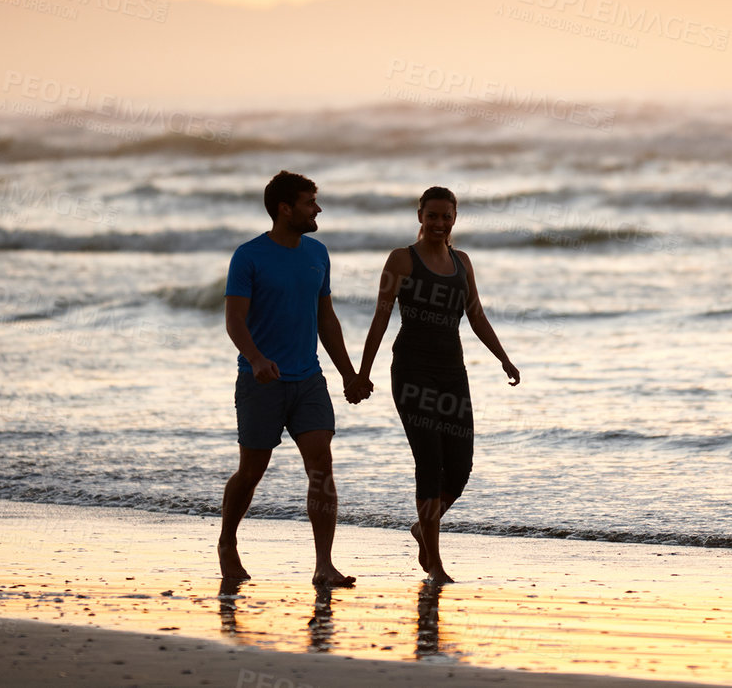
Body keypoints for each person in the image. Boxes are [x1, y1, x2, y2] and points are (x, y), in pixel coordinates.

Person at [357, 186, 519, 583]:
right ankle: (435, 559)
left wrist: (503, 357)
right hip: (412, 371)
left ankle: (421, 528)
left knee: (460, 469)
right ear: (419, 216)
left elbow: (476, 315)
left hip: (453, 372)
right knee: (429, 463)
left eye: (446, 216)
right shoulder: (402, 260)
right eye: (432, 216)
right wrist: (362, 373)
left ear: (455, 218)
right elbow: (380, 317)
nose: (439, 223)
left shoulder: (463, 262)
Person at [219, 170, 370, 587]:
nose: (317, 209)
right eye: (309, 203)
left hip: (308, 378)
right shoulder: (248, 256)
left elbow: (326, 319)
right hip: (260, 381)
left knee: (321, 462)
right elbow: (234, 320)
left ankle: (324, 564)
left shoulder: (318, 253)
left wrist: (349, 374)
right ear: (285, 209)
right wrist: (255, 358)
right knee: (251, 470)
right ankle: (227, 542)